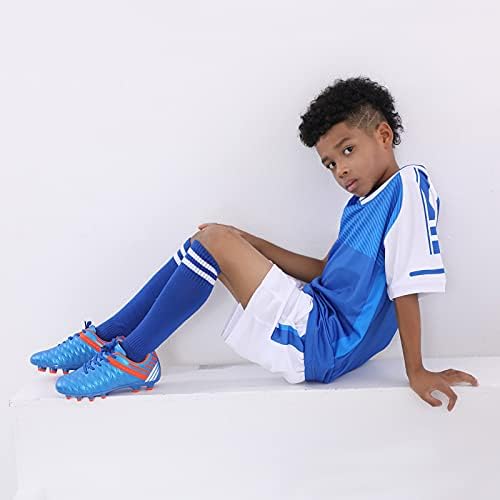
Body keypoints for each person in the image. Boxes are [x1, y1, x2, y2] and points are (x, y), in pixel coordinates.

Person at [30, 75, 479, 410]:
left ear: (383, 135)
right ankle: (108, 339)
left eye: (347, 150)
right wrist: (246, 241)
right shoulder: (360, 206)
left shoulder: (409, 186)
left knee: (215, 239)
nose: (340, 170)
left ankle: (131, 357)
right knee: (210, 239)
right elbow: (326, 272)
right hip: (318, 320)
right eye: (329, 163)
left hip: (325, 340)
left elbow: (406, 285)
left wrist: (416, 370)